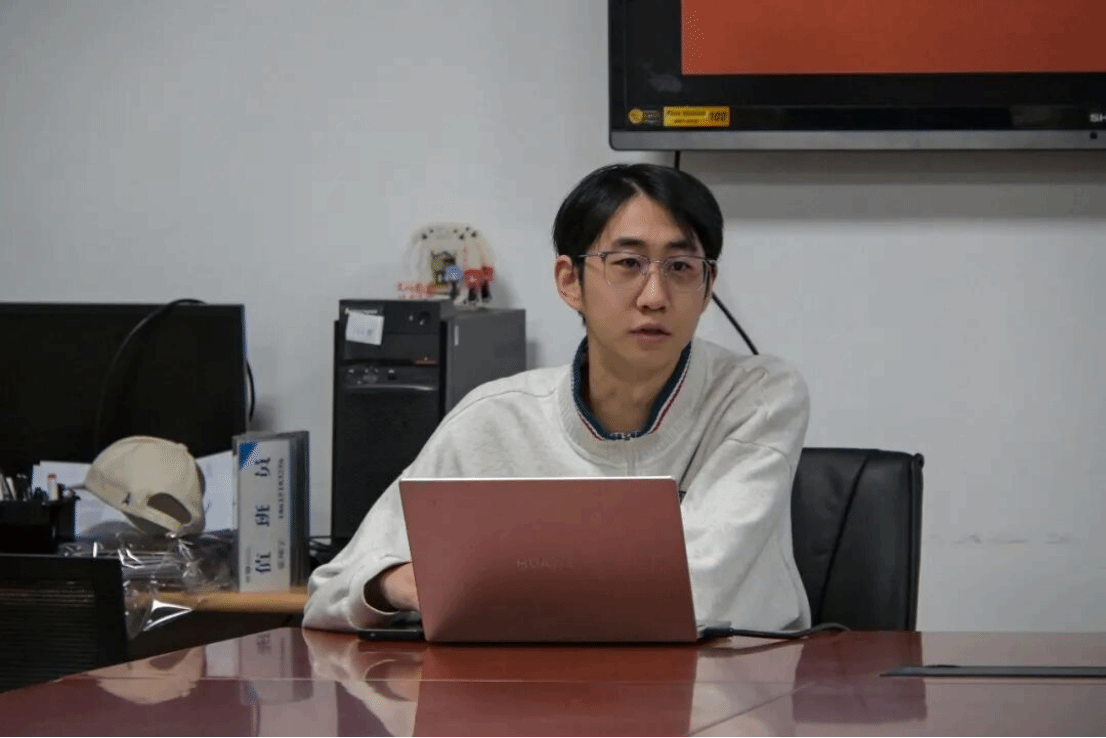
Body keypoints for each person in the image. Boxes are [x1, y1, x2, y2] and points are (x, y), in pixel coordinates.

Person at [303, 162, 812, 633]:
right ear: (570, 281)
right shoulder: (495, 418)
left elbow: (694, 592)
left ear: (707, 286)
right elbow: (330, 590)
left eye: (681, 267)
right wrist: (396, 582)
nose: (655, 296)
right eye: (628, 263)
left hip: (730, 681)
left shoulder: (756, 398)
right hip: (531, 685)